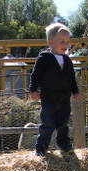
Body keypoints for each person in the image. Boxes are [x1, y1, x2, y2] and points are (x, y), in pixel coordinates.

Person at [29, 23, 83, 156]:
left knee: (63, 124)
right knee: (47, 124)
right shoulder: (44, 58)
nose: (66, 44)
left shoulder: (67, 60)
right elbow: (35, 75)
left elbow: (71, 78)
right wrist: (33, 90)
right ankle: (41, 147)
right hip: (49, 99)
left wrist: (75, 91)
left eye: (68, 41)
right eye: (62, 41)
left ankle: (64, 144)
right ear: (51, 41)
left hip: (64, 99)